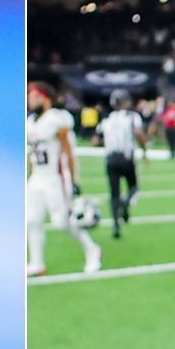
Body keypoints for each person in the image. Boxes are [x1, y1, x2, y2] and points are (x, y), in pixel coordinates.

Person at [28, 82, 102, 275]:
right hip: (37, 177)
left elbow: (69, 151)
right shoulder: (30, 122)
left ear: (45, 98)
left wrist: (74, 180)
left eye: (34, 97)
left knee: (62, 222)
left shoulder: (56, 119)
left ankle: (92, 250)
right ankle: (37, 262)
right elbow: (32, 153)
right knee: (31, 220)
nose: (29, 100)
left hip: (55, 177)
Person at [97, 88, 148, 237]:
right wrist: (144, 150)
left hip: (110, 158)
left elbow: (96, 139)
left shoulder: (107, 118)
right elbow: (138, 133)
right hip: (126, 158)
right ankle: (125, 205)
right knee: (134, 187)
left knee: (114, 193)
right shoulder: (132, 117)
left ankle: (115, 226)